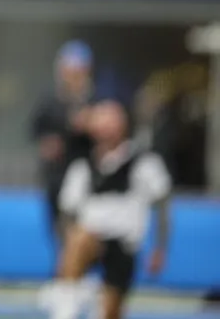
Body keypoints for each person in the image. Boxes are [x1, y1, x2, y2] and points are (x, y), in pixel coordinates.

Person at [45, 100, 171, 319]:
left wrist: (160, 248)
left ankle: (92, 294)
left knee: (110, 312)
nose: (105, 126)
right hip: (90, 240)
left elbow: (162, 204)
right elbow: (67, 211)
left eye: (111, 120)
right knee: (80, 237)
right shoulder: (82, 165)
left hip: (124, 244)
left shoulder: (143, 161)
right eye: (100, 119)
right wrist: (66, 250)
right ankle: (68, 300)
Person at [31, 41, 97, 250]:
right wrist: (47, 142)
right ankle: (65, 272)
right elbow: (35, 129)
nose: (71, 76)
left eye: (76, 71)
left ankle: (78, 270)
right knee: (60, 228)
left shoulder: (95, 99)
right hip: (57, 175)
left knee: (83, 228)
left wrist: (90, 124)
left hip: (86, 175)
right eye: (67, 70)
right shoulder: (50, 100)